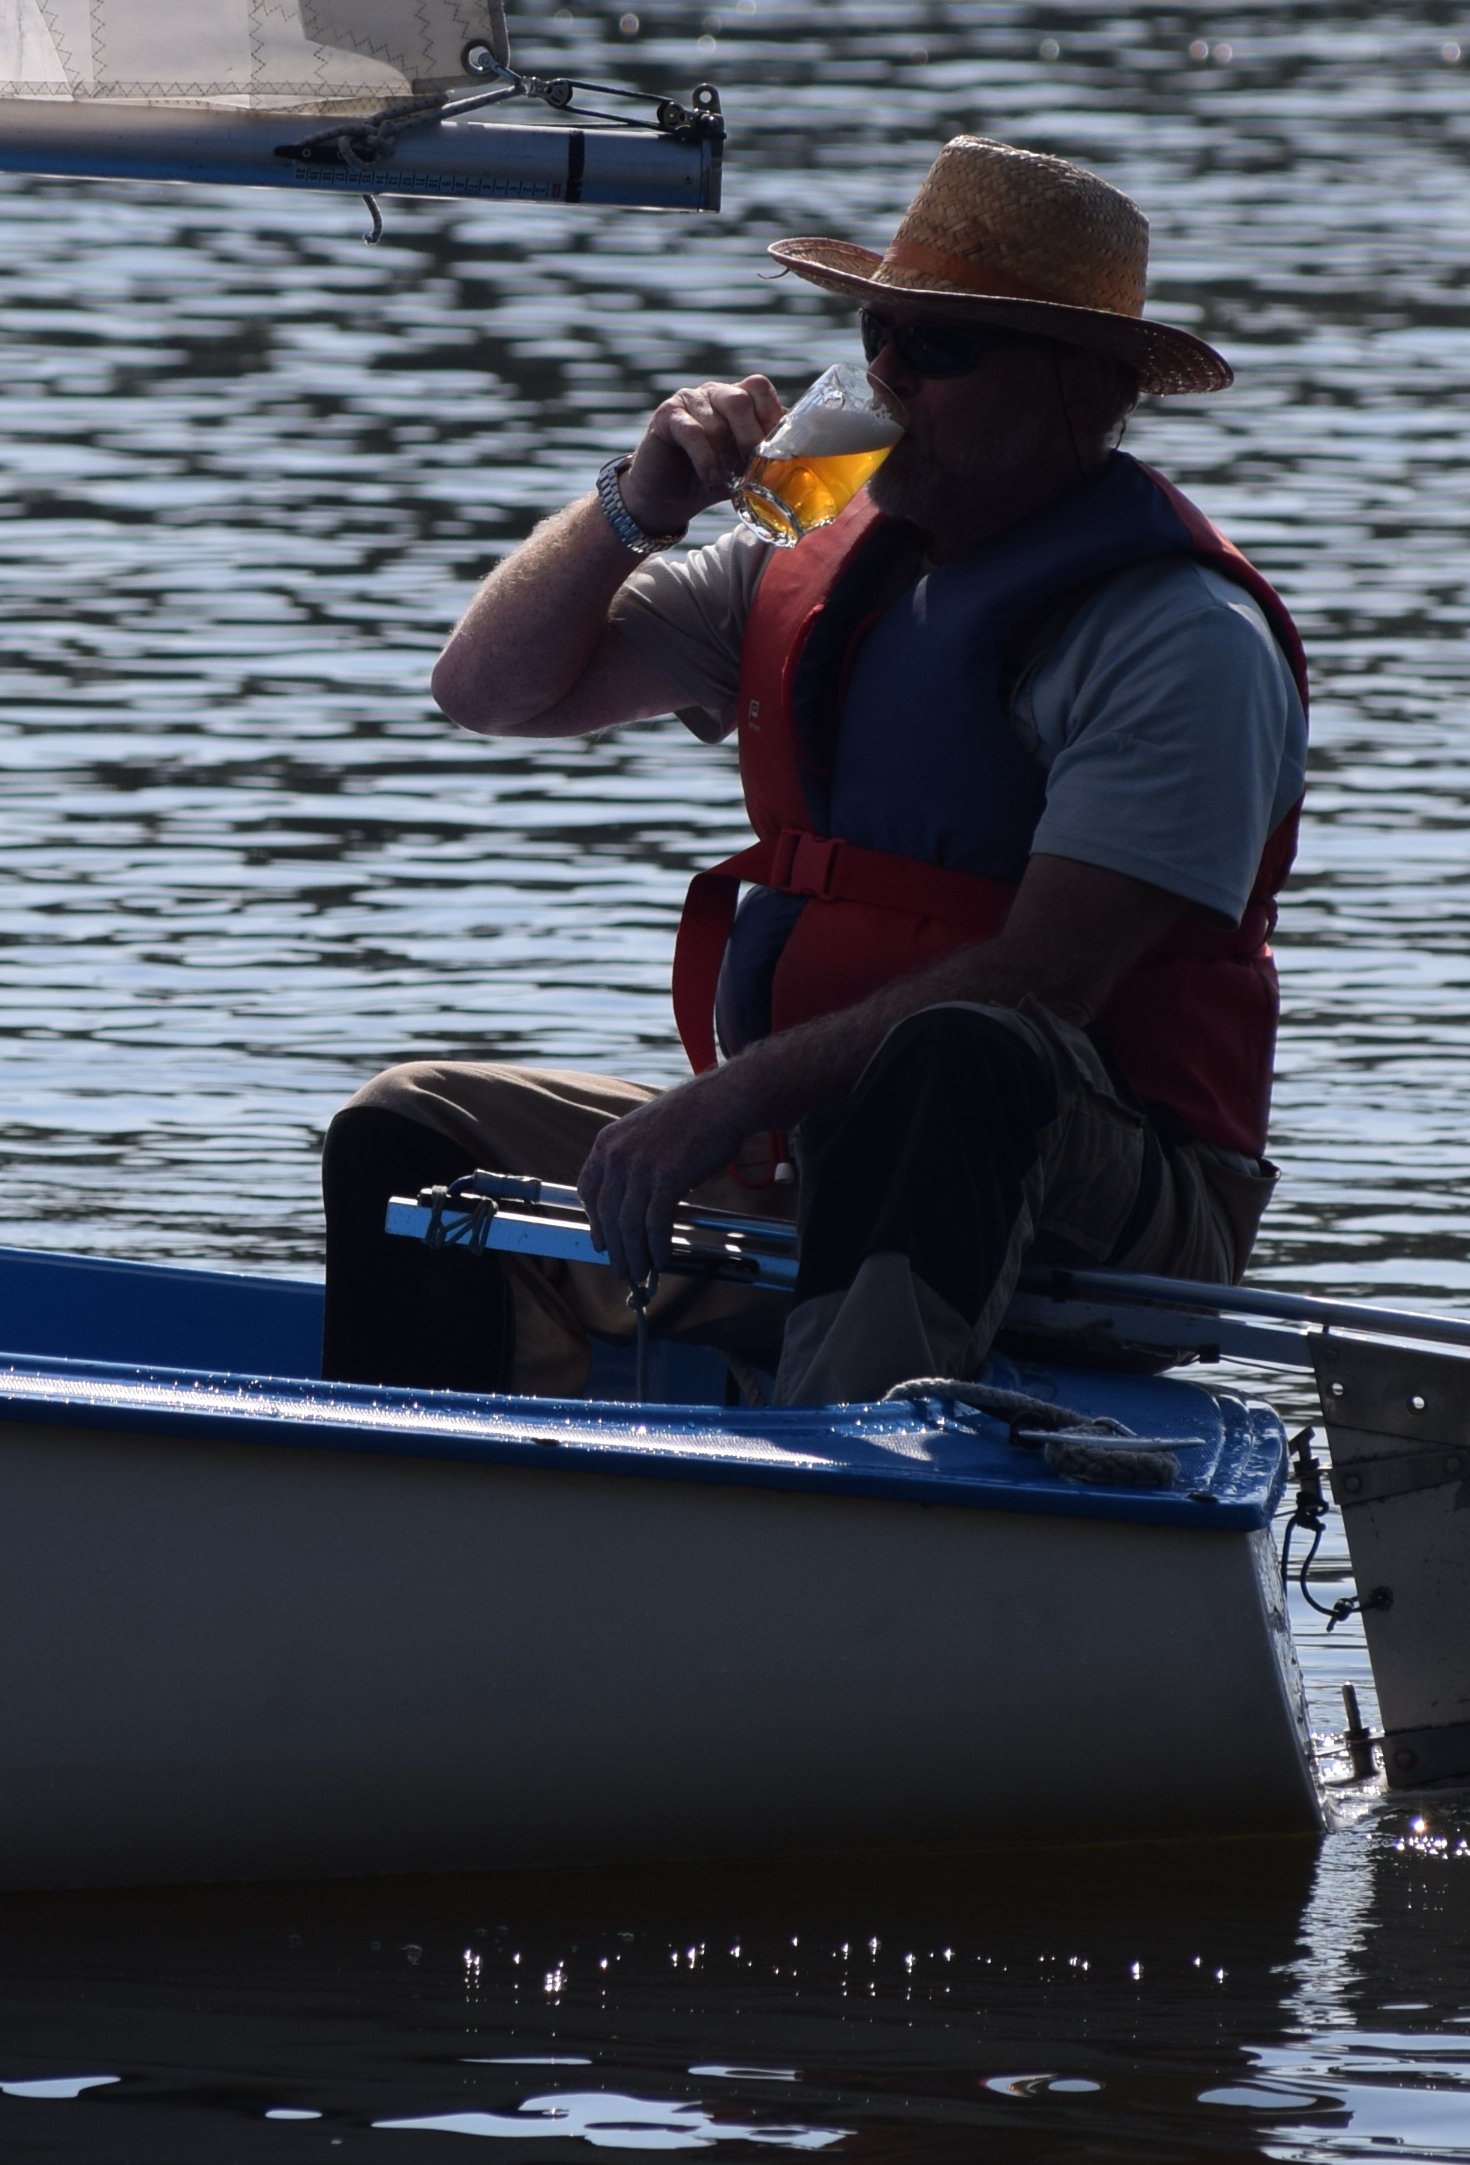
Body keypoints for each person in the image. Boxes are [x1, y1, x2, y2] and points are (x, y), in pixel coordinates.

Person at [318, 137, 1309, 1409]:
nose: (886, 375)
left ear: (1083, 387)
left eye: (939, 348)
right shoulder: (801, 560)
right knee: (413, 1128)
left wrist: (724, 1099)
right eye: (876, 335)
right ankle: (417, 1477)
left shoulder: (1179, 638)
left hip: (1107, 1208)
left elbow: (1050, 977)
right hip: (799, 1150)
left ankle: (846, 1471)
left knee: (963, 1051)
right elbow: (487, 692)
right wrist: (636, 505)